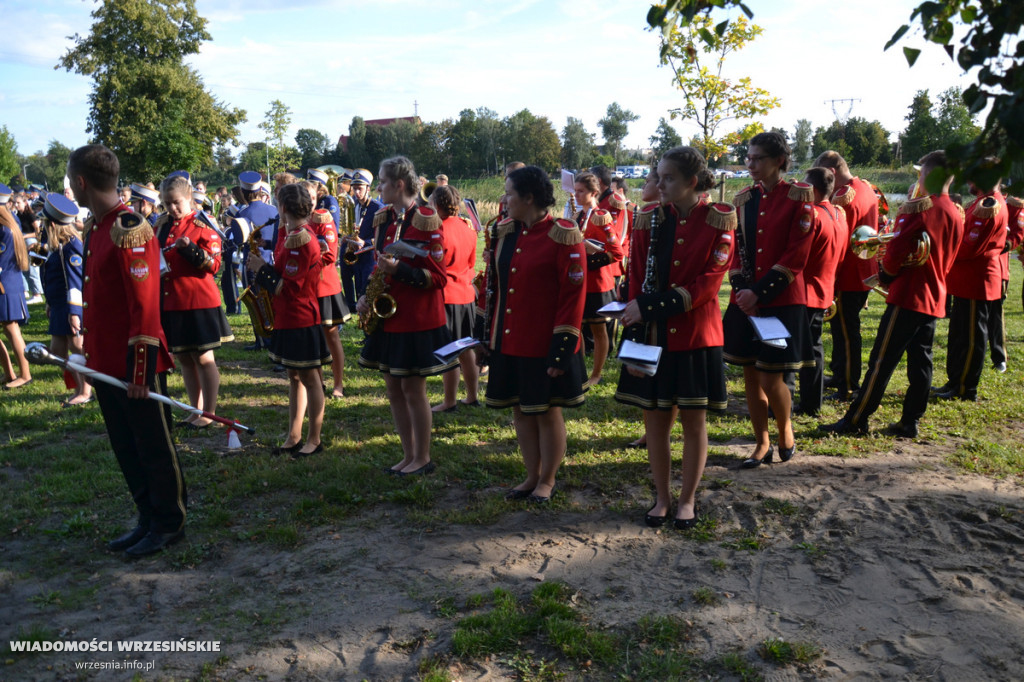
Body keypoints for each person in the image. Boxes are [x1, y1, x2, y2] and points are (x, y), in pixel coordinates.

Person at [68, 144, 186, 556]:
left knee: (153, 444)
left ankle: (169, 521)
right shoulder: (98, 228)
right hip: (105, 359)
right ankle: (147, 517)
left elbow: (145, 305)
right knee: (126, 444)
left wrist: (141, 372)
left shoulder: (129, 227)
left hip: (134, 361)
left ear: (81, 183)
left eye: (71, 182)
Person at [616, 147, 733, 529]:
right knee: (656, 424)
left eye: (667, 178)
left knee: (694, 423)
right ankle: (662, 497)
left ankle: (687, 500)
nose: (658, 185)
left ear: (691, 183)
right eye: (658, 176)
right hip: (653, 337)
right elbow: (635, 279)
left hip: (698, 336)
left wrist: (648, 307)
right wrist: (635, 333)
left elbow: (707, 286)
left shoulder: (719, 220)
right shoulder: (647, 219)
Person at [823, 151, 964, 438]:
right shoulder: (956, 211)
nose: (918, 178)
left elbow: (896, 253)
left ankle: (856, 420)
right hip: (934, 296)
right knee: (920, 363)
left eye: (921, 172)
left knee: (880, 362)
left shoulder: (920, 208)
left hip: (908, 295)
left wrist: (886, 276)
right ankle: (910, 420)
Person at [476, 165, 587, 503]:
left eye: (509, 194)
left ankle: (547, 480)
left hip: (545, 342)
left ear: (528, 197)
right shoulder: (505, 232)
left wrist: (561, 350)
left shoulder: (563, 234)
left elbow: (573, 296)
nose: (504, 200)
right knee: (521, 410)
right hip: (509, 338)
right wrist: (484, 336)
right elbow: (494, 288)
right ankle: (531, 474)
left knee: (546, 410)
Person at [357, 156, 456, 476]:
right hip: (389, 316)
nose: (378, 188)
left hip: (417, 317)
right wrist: (367, 295)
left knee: (413, 391)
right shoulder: (384, 217)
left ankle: (422, 457)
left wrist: (400, 270)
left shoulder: (427, 218)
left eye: (383, 182)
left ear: (399, 185)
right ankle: (408, 454)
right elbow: (378, 262)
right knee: (393, 389)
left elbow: (439, 278)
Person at [723, 131, 814, 468]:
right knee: (749, 373)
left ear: (779, 161)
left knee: (770, 376)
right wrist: (741, 289)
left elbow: (796, 255)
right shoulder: (744, 199)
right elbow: (736, 251)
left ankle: (785, 427)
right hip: (745, 300)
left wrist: (758, 292)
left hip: (780, 301)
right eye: (749, 157)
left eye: (758, 158)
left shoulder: (799, 197)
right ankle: (761, 442)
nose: (751, 164)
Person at [247, 183, 330, 457]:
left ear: (283, 207)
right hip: (288, 317)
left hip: (301, 317)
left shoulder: (302, 240)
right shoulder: (290, 233)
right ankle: (293, 435)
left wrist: (261, 271)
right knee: (294, 376)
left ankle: (314, 439)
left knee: (309, 377)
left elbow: (290, 287)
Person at [155, 174, 234, 429]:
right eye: (167, 203)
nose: (172, 208)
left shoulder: (204, 225)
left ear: (189, 197)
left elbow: (214, 265)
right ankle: (194, 409)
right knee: (184, 358)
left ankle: (209, 413)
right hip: (173, 300)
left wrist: (190, 249)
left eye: (176, 202)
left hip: (198, 300)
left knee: (203, 357)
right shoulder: (163, 225)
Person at [934, 173, 1007, 401]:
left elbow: (970, 246)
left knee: (972, 339)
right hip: (967, 281)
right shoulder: (980, 201)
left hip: (978, 282)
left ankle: (966, 388)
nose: (969, 183)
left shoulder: (989, 205)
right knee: (959, 336)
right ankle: (955, 381)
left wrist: (943, 250)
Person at [815, 151, 881, 400]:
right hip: (864, 268)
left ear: (831, 172)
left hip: (848, 272)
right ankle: (841, 374)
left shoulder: (843, 197)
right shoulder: (864, 186)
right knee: (844, 328)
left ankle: (849, 385)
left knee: (845, 331)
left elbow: (839, 237)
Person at [796, 168, 846, 416]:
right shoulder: (839, 214)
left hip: (805, 290)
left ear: (813, 190)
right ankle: (812, 402)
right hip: (824, 288)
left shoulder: (813, 214)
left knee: (797, 352)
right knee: (813, 349)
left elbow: (799, 254)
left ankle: (804, 402)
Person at [430, 184, 480, 412]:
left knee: (449, 350)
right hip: (466, 294)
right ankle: (472, 395)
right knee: (466, 348)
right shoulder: (468, 228)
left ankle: (449, 400)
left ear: (437, 205)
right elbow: (471, 264)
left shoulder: (438, 230)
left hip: (447, 296)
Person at [40, 192, 92, 407]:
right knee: (57, 352)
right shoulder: (57, 246)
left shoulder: (71, 247)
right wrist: (49, 303)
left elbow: (75, 283)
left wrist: (75, 313)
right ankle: (77, 387)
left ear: (52, 224)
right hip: (59, 305)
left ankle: (86, 391)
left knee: (77, 348)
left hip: (71, 306)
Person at [574, 171, 624, 386]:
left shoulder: (601, 216)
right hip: (581, 281)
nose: (576, 195)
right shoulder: (580, 216)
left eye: (581, 191)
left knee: (598, 329)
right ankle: (581, 371)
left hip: (598, 283)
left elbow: (616, 253)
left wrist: (588, 262)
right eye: (575, 191)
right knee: (578, 328)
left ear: (594, 192)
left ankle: (596, 374)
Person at [304, 181, 349, 399]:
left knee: (331, 337)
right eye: (304, 198)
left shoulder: (322, 218)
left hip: (324, 286)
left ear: (317, 198)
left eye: (311, 198)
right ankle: (318, 383)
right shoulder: (293, 221)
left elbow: (330, 254)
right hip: (305, 289)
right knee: (313, 338)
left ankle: (338, 384)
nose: (308, 202)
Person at [0, 182, 33, 389]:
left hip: (5, 284)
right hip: (9, 282)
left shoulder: (5, 229)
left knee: (12, 330)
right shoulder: (10, 223)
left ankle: (24, 373)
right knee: (10, 330)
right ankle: (10, 372)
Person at [341, 169, 382, 311]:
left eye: (360, 188)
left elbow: (381, 236)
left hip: (370, 256)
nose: (357, 192)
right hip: (357, 255)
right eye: (354, 188)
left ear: (368, 189)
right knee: (359, 288)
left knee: (367, 291)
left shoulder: (377, 208)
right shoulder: (355, 206)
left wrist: (365, 242)